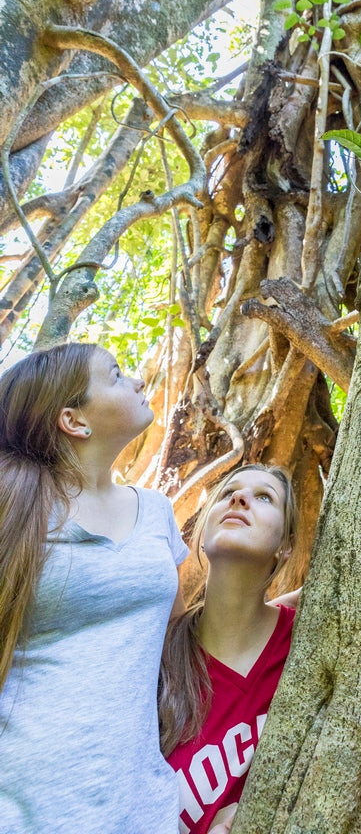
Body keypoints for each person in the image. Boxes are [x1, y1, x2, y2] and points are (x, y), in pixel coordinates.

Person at [0, 343, 189, 833]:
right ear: (74, 421)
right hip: (22, 802)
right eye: (117, 375)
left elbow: (183, 631)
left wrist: (296, 611)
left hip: (136, 805)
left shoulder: (156, 512)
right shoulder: (13, 507)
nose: (138, 381)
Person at [159, 462, 298, 834]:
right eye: (227, 494)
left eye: (264, 497)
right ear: (202, 536)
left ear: (285, 546)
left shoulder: (308, 643)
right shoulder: (157, 656)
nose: (239, 498)